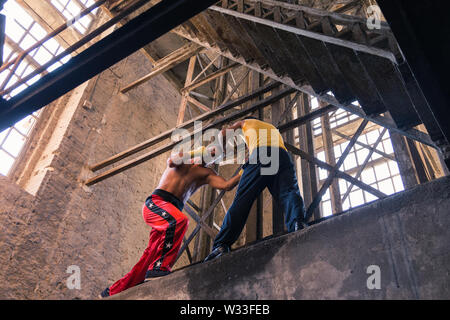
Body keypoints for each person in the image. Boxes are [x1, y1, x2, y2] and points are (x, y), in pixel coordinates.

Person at [99, 146, 241, 298]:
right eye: (212, 150)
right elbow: (172, 160)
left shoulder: (207, 174)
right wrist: (200, 151)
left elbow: (227, 185)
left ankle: (111, 292)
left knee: (148, 258)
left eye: (217, 154)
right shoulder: (184, 161)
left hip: (169, 215)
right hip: (156, 204)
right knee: (180, 221)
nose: (213, 154)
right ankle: (159, 269)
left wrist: (244, 169)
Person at [204, 116, 307, 262]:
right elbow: (232, 182)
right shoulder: (271, 129)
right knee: (289, 192)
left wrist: (218, 151)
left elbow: (223, 133)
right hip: (281, 156)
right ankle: (298, 223)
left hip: (262, 154)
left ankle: (221, 245)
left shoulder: (244, 122)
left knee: (242, 202)